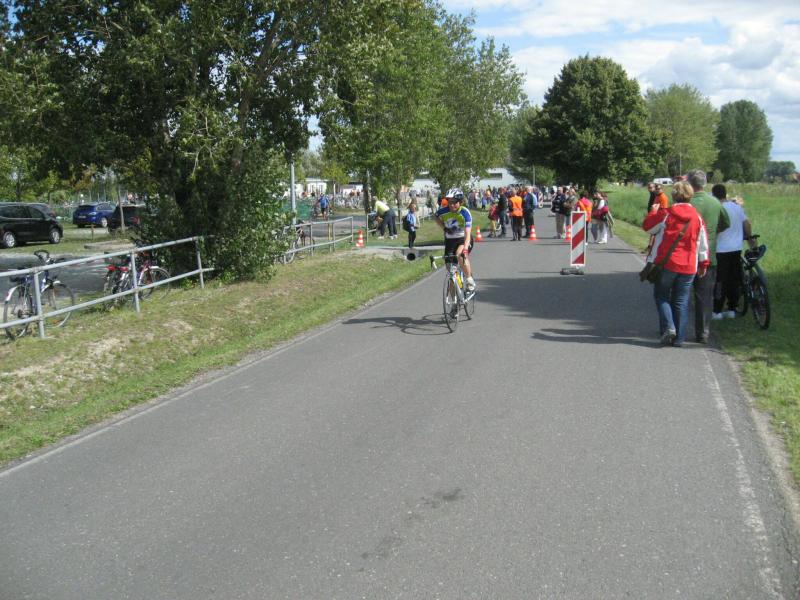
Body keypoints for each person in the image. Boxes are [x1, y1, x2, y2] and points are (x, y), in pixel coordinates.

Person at [642, 181, 710, 347]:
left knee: (661, 295)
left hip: (667, 263)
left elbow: (648, 228)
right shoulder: (697, 217)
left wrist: (652, 212)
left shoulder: (666, 214)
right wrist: (703, 263)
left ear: (674, 195)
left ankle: (669, 327)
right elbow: (703, 243)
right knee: (681, 300)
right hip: (689, 265)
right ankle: (679, 338)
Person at [687, 169, 730, 343]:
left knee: (680, 294)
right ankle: (703, 333)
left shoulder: (687, 202)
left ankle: (677, 329)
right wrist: (712, 233)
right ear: (705, 183)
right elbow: (726, 223)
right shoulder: (715, 203)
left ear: (690, 183)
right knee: (704, 297)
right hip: (708, 255)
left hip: (687, 254)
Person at [711, 184, 756, 320]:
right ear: (725, 194)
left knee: (720, 280)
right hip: (736, 248)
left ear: (714, 195)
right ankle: (732, 308)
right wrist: (748, 237)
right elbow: (747, 224)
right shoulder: (736, 207)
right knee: (734, 279)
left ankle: (717, 310)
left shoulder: (717, 208)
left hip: (721, 249)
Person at [435, 188, 476, 292]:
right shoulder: (443, 211)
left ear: (460, 202)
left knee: (460, 254)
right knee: (451, 272)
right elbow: (435, 217)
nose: (452, 205)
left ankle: (470, 280)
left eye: (454, 203)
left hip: (463, 239)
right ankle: (454, 299)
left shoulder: (465, 213)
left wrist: (465, 249)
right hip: (450, 241)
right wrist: (444, 228)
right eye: (450, 202)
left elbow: (467, 234)